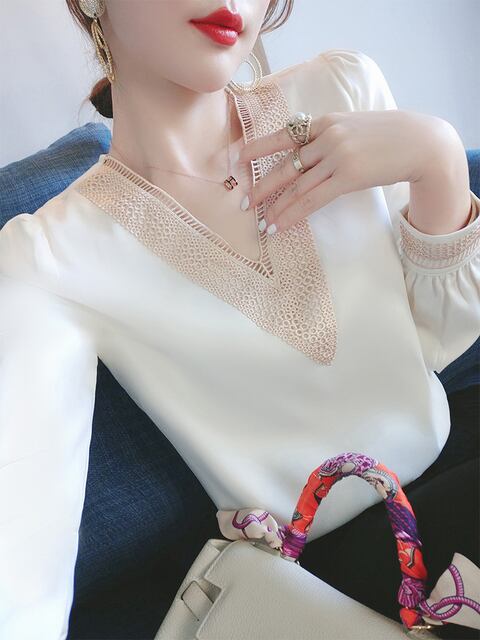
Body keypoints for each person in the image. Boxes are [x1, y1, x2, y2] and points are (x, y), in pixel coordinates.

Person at [1, 1, 479, 638]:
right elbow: (23, 568)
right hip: (337, 582)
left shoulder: (341, 88)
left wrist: (438, 159)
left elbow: (444, 339)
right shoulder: (51, 255)